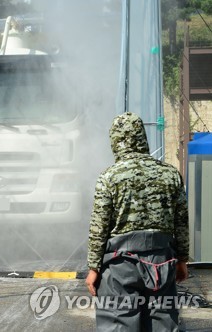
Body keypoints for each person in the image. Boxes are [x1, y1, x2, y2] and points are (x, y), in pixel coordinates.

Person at [85, 112, 189, 331]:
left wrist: (94, 268)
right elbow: (181, 222)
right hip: (162, 262)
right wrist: (181, 260)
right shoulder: (170, 174)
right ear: (143, 138)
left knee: (119, 320)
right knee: (163, 321)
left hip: (120, 265)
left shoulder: (109, 177)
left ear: (115, 141)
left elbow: (99, 227)